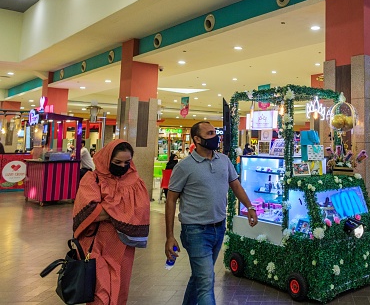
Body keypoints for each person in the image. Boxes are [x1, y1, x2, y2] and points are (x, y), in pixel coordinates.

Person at [165, 122, 258, 305]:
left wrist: (249, 206)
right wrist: (169, 236)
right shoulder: (184, 166)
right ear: (197, 139)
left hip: (219, 227)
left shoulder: (223, 160)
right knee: (207, 281)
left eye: (215, 132)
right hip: (195, 231)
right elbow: (171, 199)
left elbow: (236, 185)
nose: (215, 136)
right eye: (209, 133)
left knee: (200, 277)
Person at [73, 140, 150, 305]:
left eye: (126, 162)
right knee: (99, 294)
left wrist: (107, 208)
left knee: (121, 290)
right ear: (107, 159)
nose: (122, 166)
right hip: (96, 244)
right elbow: (91, 211)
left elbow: (141, 211)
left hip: (122, 246)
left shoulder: (135, 182)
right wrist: (125, 210)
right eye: (117, 162)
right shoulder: (92, 178)